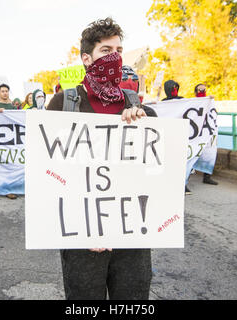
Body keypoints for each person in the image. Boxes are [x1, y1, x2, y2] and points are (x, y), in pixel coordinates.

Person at [47, 17, 152, 300]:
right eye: (106, 51)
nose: (115, 57)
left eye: (118, 50)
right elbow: (48, 173)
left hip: (132, 238)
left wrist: (143, 123)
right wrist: (83, 227)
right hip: (82, 240)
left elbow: (155, 168)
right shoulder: (62, 105)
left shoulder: (135, 103)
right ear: (87, 58)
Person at [194, 83, 218, 186]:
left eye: (204, 89)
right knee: (193, 152)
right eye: (200, 90)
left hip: (206, 131)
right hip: (196, 133)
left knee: (209, 151)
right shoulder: (193, 102)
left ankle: (207, 176)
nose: (202, 91)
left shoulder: (210, 102)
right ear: (196, 92)